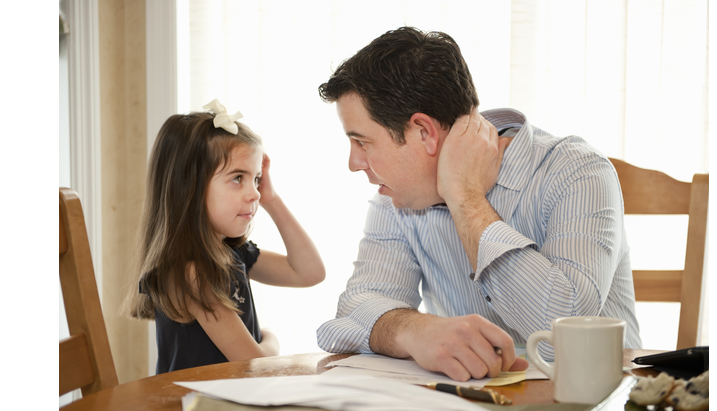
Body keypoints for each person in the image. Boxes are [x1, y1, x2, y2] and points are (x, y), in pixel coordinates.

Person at [316, 27, 642, 382]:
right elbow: (351, 314)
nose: (354, 162)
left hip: (592, 403)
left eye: (362, 142)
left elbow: (562, 338)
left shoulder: (577, 172)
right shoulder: (396, 199)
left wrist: (465, 196)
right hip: (471, 407)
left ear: (423, 132)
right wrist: (414, 330)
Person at [123, 99, 325, 374]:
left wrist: (272, 199)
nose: (254, 192)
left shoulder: (233, 253)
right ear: (189, 188)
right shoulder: (191, 275)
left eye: (256, 179)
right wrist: (271, 340)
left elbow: (309, 273)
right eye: (238, 178)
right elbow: (255, 365)